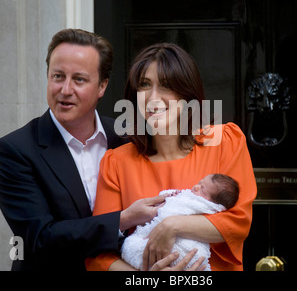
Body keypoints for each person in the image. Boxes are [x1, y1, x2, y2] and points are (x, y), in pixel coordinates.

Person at [0, 29, 168, 271]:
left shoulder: (128, 139)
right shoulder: (14, 150)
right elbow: (40, 238)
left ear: (102, 86)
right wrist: (123, 219)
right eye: (58, 76)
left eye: (79, 79)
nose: (65, 90)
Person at [85, 43, 257, 271]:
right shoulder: (116, 162)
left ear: (187, 94)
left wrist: (171, 226)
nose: (153, 98)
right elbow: (98, 255)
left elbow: (237, 223)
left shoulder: (224, 142)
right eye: (145, 84)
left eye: (166, 85)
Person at [121, 174, 239, 271]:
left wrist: (169, 217)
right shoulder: (188, 196)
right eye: (200, 183)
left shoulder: (201, 206)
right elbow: (175, 197)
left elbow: (173, 210)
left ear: (214, 204)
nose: (197, 187)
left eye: (203, 190)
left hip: (184, 247)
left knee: (134, 247)